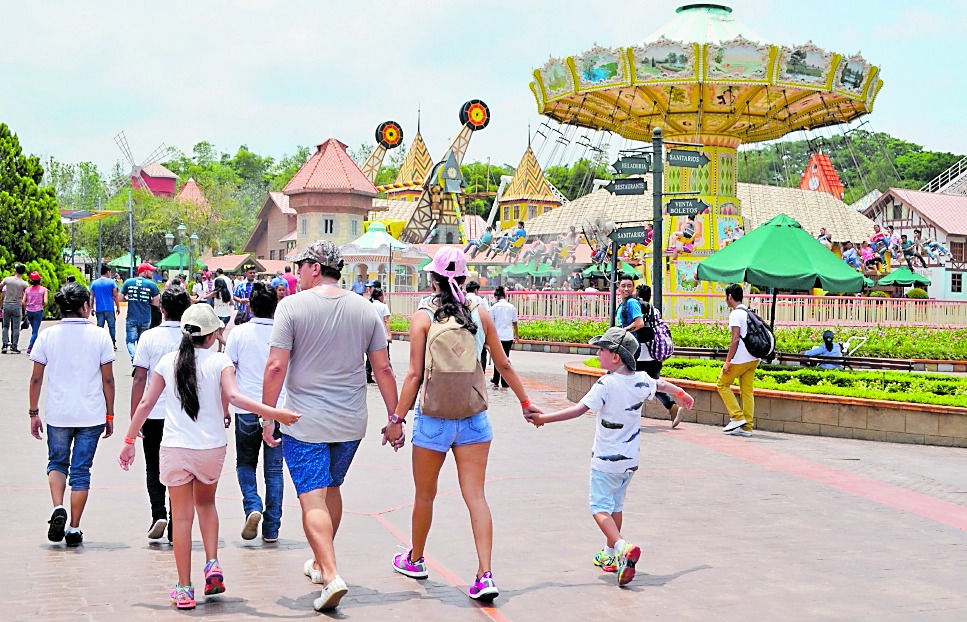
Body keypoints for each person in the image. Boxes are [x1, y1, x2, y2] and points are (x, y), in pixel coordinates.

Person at [119, 303, 299, 610]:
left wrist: (128, 439)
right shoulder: (221, 361)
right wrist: (275, 413)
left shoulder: (167, 361)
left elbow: (147, 402)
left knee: (183, 517)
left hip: (175, 448)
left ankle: (184, 588)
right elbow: (234, 397)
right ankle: (212, 563)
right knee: (206, 504)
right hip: (211, 449)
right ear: (214, 333)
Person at [387, 246, 540, 602]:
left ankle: (415, 559)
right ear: (466, 277)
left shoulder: (422, 316)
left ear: (433, 279)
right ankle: (485, 574)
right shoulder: (480, 312)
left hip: (433, 420)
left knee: (425, 496)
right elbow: (504, 365)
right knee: (477, 497)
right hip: (474, 420)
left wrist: (396, 418)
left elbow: (412, 375)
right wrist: (526, 403)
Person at [262, 240, 398, 613]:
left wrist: (268, 414)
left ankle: (332, 574)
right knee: (331, 487)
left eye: (300, 265)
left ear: (315, 267)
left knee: (312, 497)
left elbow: (276, 367)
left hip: (305, 422)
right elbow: (383, 368)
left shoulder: (291, 307)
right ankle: (321, 564)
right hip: (351, 422)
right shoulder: (367, 310)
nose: (297, 272)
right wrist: (395, 418)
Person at [523, 327, 693, 587]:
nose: (598, 353)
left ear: (616, 356)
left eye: (601, 350)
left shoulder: (606, 383)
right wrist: (682, 394)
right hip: (630, 461)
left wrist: (544, 418)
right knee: (616, 506)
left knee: (599, 508)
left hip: (605, 460)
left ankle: (622, 547)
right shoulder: (640, 380)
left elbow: (578, 410)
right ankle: (611, 555)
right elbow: (661, 384)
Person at [28, 282, 115, 547]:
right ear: (84, 306)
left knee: (56, 463)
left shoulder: (47, 335)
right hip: (91, 414)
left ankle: (57, 508)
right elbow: (108, 380)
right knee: (81, 472)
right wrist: (110, 415)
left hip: (58, 413)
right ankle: (74, 528)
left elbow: (35, 379)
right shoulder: (100, 335)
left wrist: (33, 412)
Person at [225, 283, 287, 543]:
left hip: (246, 408)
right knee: (274, 471)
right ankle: (272, 528)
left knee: (245, 464)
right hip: (279, 408)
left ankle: (252, 505)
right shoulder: (285, 333)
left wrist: (223, 409)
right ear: (276, 306)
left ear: (249, 305)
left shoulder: (238, 334)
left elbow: (227, 373)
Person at [130, 286, 192, 541]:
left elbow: (139, 378)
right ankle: (178, 522)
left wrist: (136, 415)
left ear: (162, 309)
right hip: (186, 414)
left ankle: (159, 514)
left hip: (154, 412)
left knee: (153, 466)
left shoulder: (148, 337)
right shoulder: (192, 337)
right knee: (181, 469)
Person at [629, 283, 682, 427]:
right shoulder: (655, 311)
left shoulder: (636, 308)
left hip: (639, 356)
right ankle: (672, 407)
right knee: (653, 384)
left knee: (633, 385)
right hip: (655, 355)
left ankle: (631, 416)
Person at [717, 284, 760, 437]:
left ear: (729, 297)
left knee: (722, 384)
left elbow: (735, 338)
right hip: (754, 357)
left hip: (741, 357)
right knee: (747, 391)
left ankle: (737, 416)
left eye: (725, 296)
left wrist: (728, 361)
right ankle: (747, 426)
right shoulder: (748, 312)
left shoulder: (735, 314)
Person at [121, 263, 161, 361]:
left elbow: (120, 298)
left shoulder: (128, 282)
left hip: (131, 317)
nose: (152, 273)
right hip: (146, 317)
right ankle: (140, 361)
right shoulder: (152, 285)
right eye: (151, 271)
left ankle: (134, 358)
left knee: (130, 342)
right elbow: (156, 302)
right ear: (145, 271)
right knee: (142, 341)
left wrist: (130, 300)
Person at [489, 286, 518, 388]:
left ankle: (496, 379)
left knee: (497, 359)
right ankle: (505, 381)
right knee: (506, 358)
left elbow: (490, 323)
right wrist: (517, 336)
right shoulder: (511, 307)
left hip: (497, 336)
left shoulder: (494, 307)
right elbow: (515, 322)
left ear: (496, 296)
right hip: (508, 336)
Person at [365, 287, 392, 383]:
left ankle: (367, 375)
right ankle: (387, 376)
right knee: (385, 356)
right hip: (382, 335)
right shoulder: (384, 306)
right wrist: (389, 335)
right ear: (380, 296)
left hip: (370, 333)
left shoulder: (369, 305)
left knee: (369, 357)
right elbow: (386, 321)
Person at [90, 264, 121, 349]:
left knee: (100, 327)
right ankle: (113, 344)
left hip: (99, 309)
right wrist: (118, 307)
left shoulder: (94, 283)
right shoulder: (111, 282)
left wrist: (92, 308)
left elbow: (92, 296)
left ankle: (99, 344)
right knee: (112, 327)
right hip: (109, 309)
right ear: (107, 272)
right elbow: (115, 296)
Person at [2, 263, 28, 354]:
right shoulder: (24, 283)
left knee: (5, 326)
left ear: (15, 270)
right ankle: (14, 346)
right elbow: (26, 295)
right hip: (17, 305)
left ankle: (5, 345)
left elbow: (1, 286)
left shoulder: (7, 280)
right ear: (23, 272)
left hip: (7, 304)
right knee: (16, 327)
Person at [23, 271, 48, 355]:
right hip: (38, 311)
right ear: (39, 280)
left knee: (34, 330)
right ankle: (30, 348)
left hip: (29, 311)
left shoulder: (27, 289)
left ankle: (33, 346)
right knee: (35, 331)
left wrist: (26, 309)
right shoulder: (43, 289)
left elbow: (23, 301)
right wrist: (41, 305)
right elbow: (45, 301)